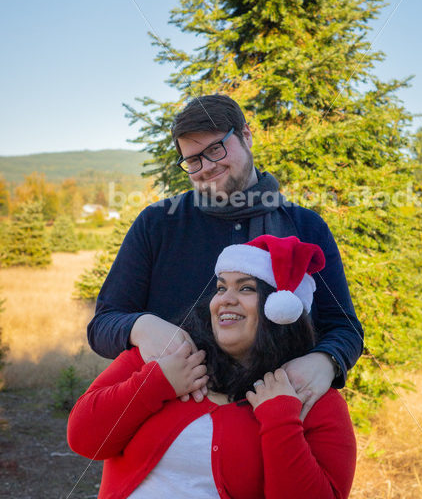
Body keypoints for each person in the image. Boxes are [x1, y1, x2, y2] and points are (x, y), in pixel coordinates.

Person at [87, 94, 363, 416]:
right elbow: (103, 325)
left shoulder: (305, 227)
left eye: (216, 149)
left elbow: (344, 327)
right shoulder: (158, 224)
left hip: (277, 423)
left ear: (246, 135)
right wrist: (141, 326)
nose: (206, 168)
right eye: (193, 160)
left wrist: (326, 361)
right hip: (171, 429)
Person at [69, 236, 357, 499]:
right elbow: (84, 439)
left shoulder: (309, 396)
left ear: (280, 310)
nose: (224, 299)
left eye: (246, 288)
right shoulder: (164, 355)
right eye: (221, 287)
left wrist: (281, 421)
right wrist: (155, 383)